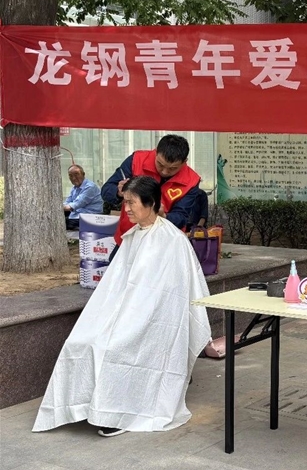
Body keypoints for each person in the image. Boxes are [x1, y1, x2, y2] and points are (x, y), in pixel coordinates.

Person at [33, 176, 211, 437]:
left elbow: (170, 295)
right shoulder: (132, 237)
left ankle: (118, 412)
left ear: (151, 203)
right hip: (124, 311)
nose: (125, 208)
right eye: (124, 202)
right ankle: (83, 405)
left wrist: (134, 317)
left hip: (154, 319)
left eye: (131, 202)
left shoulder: (172, 240)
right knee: (80, 341)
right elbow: (115, 286)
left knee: (112, 346)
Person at [101, 134, 202, 250]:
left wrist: (164, 216)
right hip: (128, 238)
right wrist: (119, 192)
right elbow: (106, 191)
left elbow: (182, 217)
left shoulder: (191, 181)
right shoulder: (136, 160)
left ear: (184, 162)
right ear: (156, 152)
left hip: (164, 243)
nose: (164, 172)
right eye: (160, 164)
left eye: (172, 168)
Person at [63, 164, 103, 230]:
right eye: (70, 176)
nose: (73, 178)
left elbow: (74, 205)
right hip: (78, 214)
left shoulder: (90, 187)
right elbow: (67, 201)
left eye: (76, 174)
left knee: (61, 223)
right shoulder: (75, 188)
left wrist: (59, 207)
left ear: (83, 174)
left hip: (90, 217)